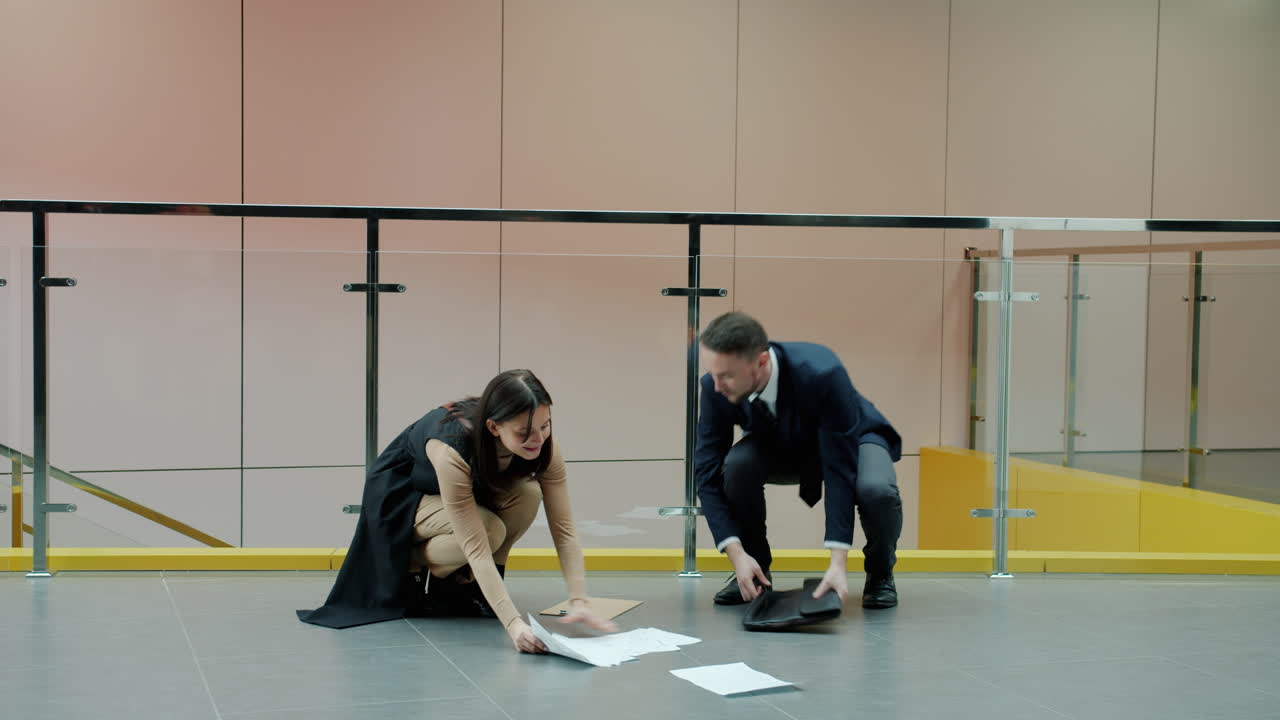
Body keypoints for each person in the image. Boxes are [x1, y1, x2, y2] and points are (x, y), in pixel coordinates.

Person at [298, 369, 618, 653]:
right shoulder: (450, 446)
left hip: (459, 495)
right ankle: (410, 561)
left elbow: (563, 529)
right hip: (403, 496)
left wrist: (579, 599)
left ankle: (465, 588)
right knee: (488, 530)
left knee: (528, 495)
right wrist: (514, 624)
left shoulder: (543, 444)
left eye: (545, 426)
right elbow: (476, 546)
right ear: (494, 427)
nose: (538, 439)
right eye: (524, 432)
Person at [694, 312, 903, 609]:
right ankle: (756, 571)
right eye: (713, 373)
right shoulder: (715, 386)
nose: (717, 385)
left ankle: (881, 574)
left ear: (761, 362)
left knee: (876, 489)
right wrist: (736, 553)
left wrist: (837, 563)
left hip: (853, 439)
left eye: (726, 375)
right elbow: (707, 472)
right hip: (782, 443)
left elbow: (838, 467)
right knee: (737, 466)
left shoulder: (821, 370)